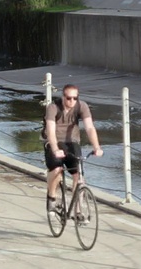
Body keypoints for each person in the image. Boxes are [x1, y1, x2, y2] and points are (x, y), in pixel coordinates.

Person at [43, 84, 103, 212]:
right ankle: (51, 197)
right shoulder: (53, 107)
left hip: (72, 141)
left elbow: (90, 127)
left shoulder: (82, 106)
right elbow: (50, 131)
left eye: (75, 98)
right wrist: (55, 149)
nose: (72, 101)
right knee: (57, 170)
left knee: (78, 175)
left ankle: (77, 209)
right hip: (54, 141)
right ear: (63, 96)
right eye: (69, 98)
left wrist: (96, 147)